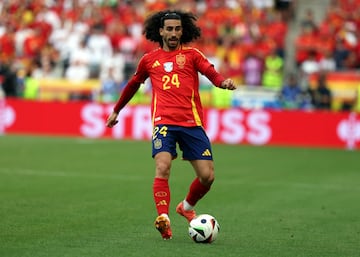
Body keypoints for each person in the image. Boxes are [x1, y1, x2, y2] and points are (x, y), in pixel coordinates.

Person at [106, 10, 236, 240]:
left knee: (208, 177)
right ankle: (163, 218)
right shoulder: (149, 60)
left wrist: (222, 82)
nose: (174, 33)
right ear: (161, 31)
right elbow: (133, 84)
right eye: (169, 29)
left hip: (191, 123)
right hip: (163, 122)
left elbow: (209, 71)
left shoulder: (192, 55)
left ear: (182, 30)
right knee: (163, 166)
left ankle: (185, 207)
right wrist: (117, 110)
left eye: (177, 29)